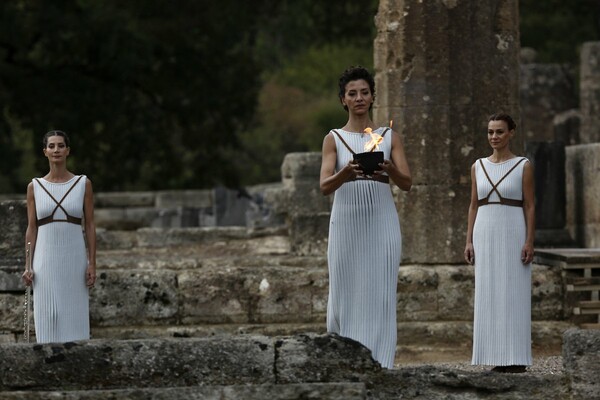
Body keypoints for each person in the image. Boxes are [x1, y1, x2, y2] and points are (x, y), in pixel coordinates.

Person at [319, 66, 411, 368]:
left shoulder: (388, 136)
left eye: (364, 92)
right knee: (346, 288)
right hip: (346, 222)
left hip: (382, 221)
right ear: (343, 100)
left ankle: (381, 360)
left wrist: (390, 169)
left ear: (372, 97)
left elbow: (407, 183)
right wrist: (345, 173)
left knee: (380, 290)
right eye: (352, 93)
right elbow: (324, 186)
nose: (359, 98)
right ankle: (345, 357)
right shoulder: (333, 139)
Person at [464, 113, 535, 373]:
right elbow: (473, 204)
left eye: (500, 132)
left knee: (513, 291)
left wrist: (529, 240)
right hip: (485, 230)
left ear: (511, 133)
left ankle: (516, 357)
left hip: (513, 228)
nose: (494, 137)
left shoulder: (523, 165)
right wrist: (469, 240)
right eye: (490, 132)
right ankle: (495, 354)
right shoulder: (478, 166)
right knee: (489, 290)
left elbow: (529, 205)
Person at [22, 130, 97, 343]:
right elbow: (31, 228)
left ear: (68, 151)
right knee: (48, 316)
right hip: (44, 260)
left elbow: (90, 225)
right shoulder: (34, 187)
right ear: (45, 151)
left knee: (75, 317)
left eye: (61, 146)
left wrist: (92, 263)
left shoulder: (83, 184)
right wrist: (28, 264)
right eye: (52, 146)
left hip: (74, 258)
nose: (56, 150)